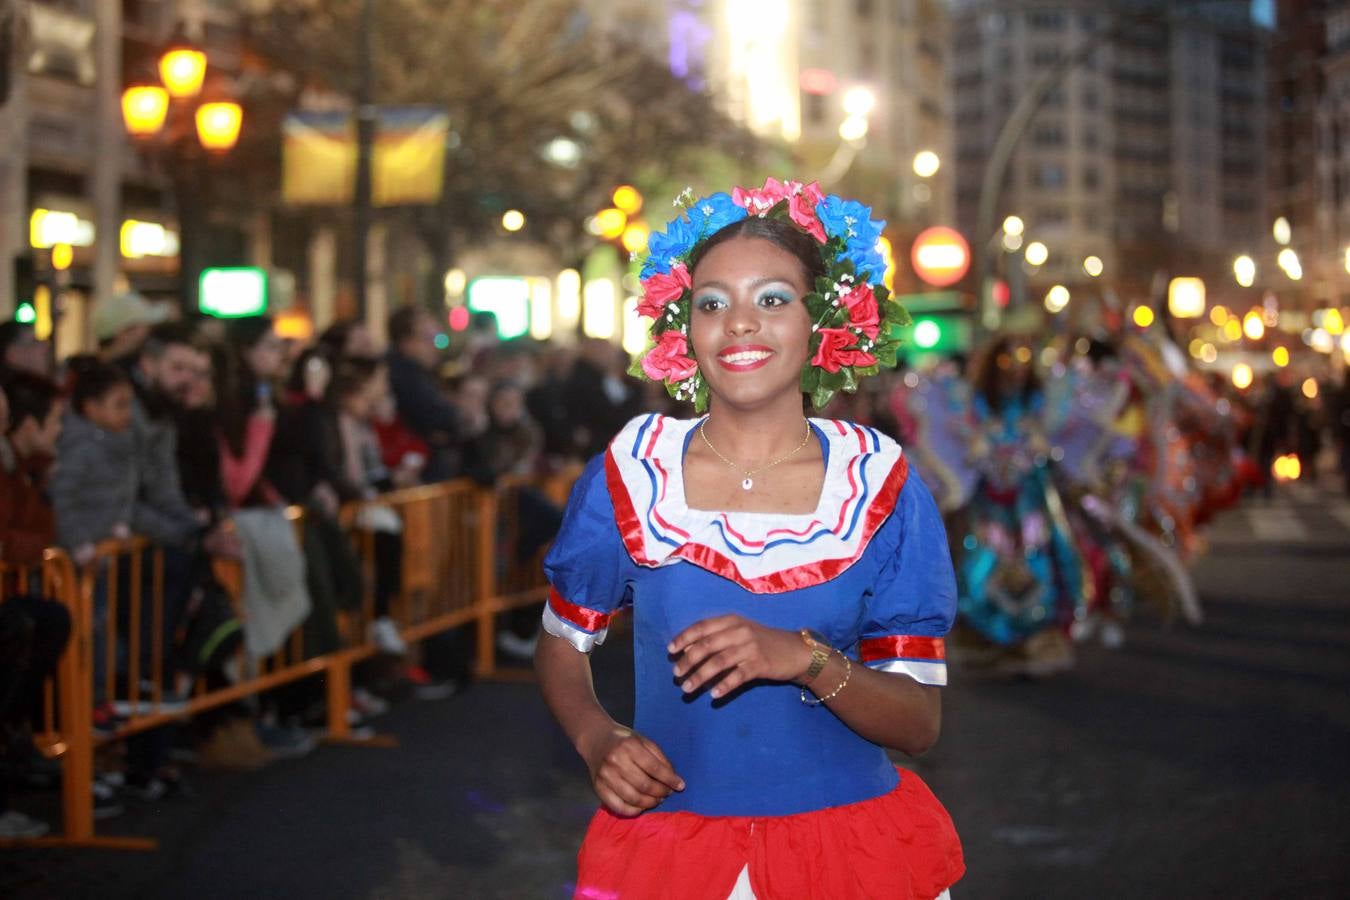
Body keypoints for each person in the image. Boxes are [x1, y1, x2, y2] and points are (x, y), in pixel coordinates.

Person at [534, 180, 963, 899]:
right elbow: (561, 641)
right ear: (683, 328)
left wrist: (805, 659)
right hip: (670, 858)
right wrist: (596, 737)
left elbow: (918, 724)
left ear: (824, 322)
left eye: (771, 299)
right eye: (711, 302)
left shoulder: (880, 484)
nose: (738, 324)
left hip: (850, 860)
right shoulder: (634, 473)